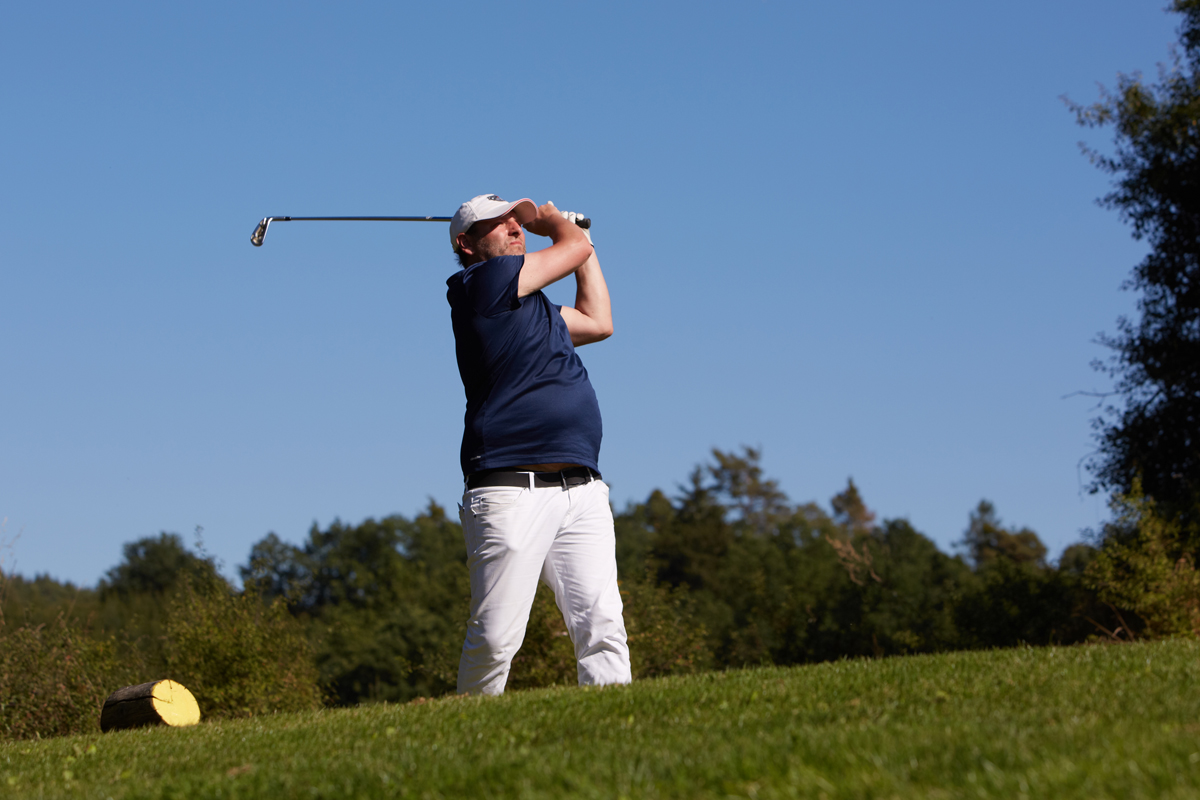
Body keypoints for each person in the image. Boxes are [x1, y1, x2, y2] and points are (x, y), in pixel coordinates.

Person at [445, 193, 631, 696]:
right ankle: (466, 731)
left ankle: (617, 728)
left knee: (602, 626)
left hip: (582, 488)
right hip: (509, 488)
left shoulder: (537, 307)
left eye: (518, 221)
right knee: (495, 639)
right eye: (498, 223)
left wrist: (583, 243)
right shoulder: (480, 285)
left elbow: (598, 321)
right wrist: (558, 226)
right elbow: (570, 251)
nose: (514, 228)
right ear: (466, 244)